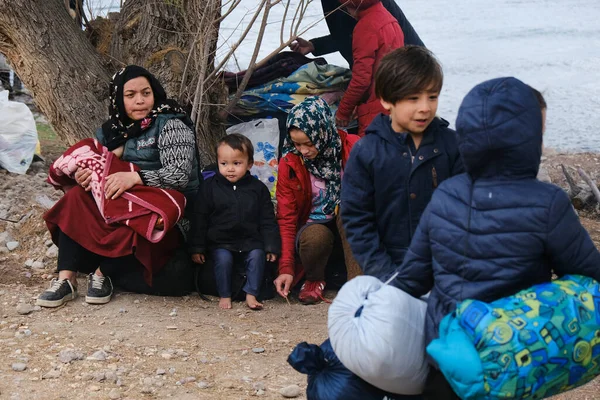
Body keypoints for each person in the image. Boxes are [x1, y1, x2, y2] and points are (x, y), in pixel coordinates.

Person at [389, 77, 600, 400]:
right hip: (509, 360)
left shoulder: (446, 194)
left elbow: (412, 279)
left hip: (448, 356)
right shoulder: (548, 202)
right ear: (527, 141)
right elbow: (589, 275)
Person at [36, 65, 201, 308]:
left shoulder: (171, 124)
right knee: (75, 200)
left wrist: (135, 177)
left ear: (155, 93)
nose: (140, 101)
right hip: (118, 205)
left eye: (146, 93)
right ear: (118, 99)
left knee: (140, 221)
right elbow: (97, 163)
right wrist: (87, 174)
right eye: (130, 95)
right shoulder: (109, 131)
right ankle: (66, 280)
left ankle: (102, 275)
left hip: (163, 213)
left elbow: (179, 176)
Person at [341, 46, 463, 279]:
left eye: (432, 96)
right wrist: (385, 274)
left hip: (446, 269)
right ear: (387, 100)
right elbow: (357, 221)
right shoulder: (366, 152)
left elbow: (466, 211)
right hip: (388, 269)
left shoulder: (453, 145)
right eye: (413, 98)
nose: (425, 107)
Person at [274, 96, 361, 304]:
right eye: (297, 144)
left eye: (309, 143)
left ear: (322, 131)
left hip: (352, 227)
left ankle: (358, 287)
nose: (303, 151)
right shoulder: (290, 162)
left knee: (350, 210)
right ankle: (314, 279)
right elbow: (286, 217)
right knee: (314, 238)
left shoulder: (353, 148)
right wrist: (286, 267)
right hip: (314, 227)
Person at [188, 133, 280, 310]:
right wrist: (197, 247)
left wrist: (271, 246)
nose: (230, 169)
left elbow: (267, 219)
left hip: (251, 241)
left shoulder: (258, 189)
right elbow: (200, 218)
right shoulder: (209, 188)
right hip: (221, 241)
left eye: (237, 164)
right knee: (223, 260)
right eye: (224, 164)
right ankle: (225, 294)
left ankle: (251, 294)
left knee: (257, 256)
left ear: (249, 164)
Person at [326, 0, 404, 136]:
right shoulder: (391, 20)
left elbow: (361, 79)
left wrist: (343, 111)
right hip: (397, 105)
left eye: (345, 7)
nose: (346, 11)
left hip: (377, 114)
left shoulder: (366, 27)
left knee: (369, 155)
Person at [290, 0, 424, 68]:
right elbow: (351, 35)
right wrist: (314, 45)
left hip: (406, 70)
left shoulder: (359, 3)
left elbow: (365, 38)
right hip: (390, 72)